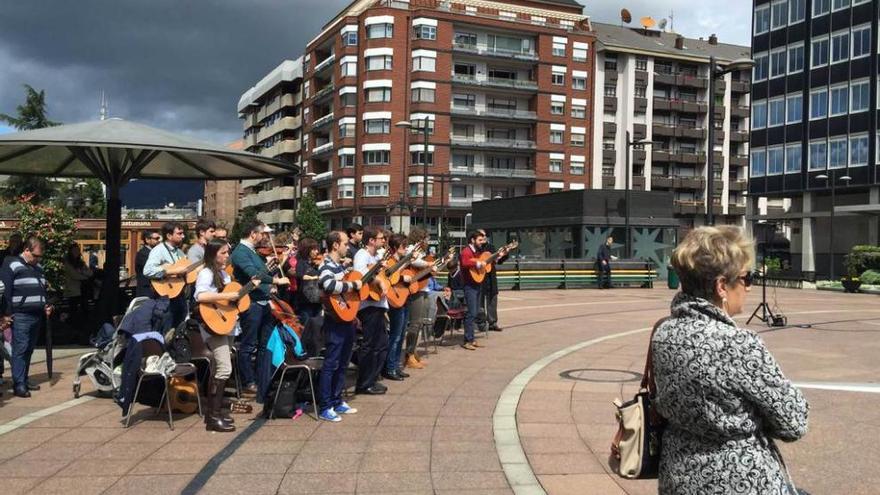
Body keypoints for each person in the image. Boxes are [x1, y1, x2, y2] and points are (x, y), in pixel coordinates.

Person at [653, 226, 809, 493]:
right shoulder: (737, 344)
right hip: (738, 480)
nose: (749, 287)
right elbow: (793, 422)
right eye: (746, 279)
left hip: (677, 476)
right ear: (722, 286)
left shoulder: (663, 331)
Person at [194, 238, 259, 433]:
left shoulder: (224, 274)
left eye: (227, 252)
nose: (226, 256)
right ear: (213, 254)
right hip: (214, 325)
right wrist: (227, 297)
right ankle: (213, 416)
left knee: (219, 368)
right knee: (224, 368)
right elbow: (201, 296)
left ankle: (213, 414)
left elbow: (233, 300)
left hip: (227, 323)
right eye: (223, 252)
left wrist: (245, 292)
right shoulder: (205, 273)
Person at [230, 220, 289, 402]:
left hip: (263, 302)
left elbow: (262, 272)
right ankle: (249, 382)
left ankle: (262, 378)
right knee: (249, 344)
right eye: (262, 234)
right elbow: (254, 275)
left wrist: (274, 265)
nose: (264, 237)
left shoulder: (251, 251)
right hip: (252, 303)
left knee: (265, 344)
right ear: (253, 234)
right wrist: (276, 281)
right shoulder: (240, 252)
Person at [317, 230, 361, 422]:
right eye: (344, 243)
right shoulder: (326, 265)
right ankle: (325, 405)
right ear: (335, 245)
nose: (346, 247)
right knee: (331, 363)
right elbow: (328, 285)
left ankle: (337, 400)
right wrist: (353, 286)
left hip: (346, 319)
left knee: (343, 362)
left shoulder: (338, 266)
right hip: (334, 321)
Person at [0, 236, 52, 398]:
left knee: (29, 349)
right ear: (26, 250)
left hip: (37, 313)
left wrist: (47, 304)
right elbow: (5, 291)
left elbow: (42, 289)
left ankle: (24, 378)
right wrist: (5, 314)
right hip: (20, 314)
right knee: (20, 349)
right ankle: (19, 383)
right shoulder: (11, 263)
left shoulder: (39, 268)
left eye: (40, 256)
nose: (37, 259)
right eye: (35, 256)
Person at [353, 227, 389, 395]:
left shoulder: (376, 257)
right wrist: (377, 280)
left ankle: (372, 379)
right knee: (369, 345)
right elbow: (360, 272)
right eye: (380, 238)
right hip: (368, 305)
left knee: (381, 344)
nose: (383, 241)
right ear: (371, 240)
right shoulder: (362, 254)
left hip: (379, 305)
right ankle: (364, 383)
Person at [143, 222, 189, 329]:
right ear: (169, 236)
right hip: (165, 299)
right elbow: (148, 270)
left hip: (179, 296)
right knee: (166, 329)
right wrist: (171, 271)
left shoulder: (180, 253)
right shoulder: (159, 250)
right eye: (179, 233)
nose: (183, 236)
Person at [402, 227, 434, 369]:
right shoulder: (410, 249)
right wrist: (428, 264)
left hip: (423, 287)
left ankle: (413, 352)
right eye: (426, 239)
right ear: (420, 239)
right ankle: (408, 355)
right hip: (415, 290)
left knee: (419, 322)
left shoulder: (420, 252)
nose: (428, 241)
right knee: (414, 323)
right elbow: (414, 261)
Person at [382, 233, 412, 380]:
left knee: (401, 335)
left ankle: (396, 365)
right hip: (396, 300)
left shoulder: (400, 261)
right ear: (394, 248)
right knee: (396, 335)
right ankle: (390, 367)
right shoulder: (389, 261)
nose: (405, 249)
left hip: (404, 298)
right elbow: (388, 277)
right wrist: (402, 277)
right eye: (403, 247)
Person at [458, 230, 488, 350]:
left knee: (475, 312)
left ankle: (471, 339)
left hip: (476, 283)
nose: (482, 242)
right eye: (479, 240)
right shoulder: (466, 251)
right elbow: (465, 262)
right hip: (469, 285)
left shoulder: (476, 252)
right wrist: (478, 264)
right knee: (471, 313)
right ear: (473, 240)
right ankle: (467, 340)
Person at [476, 229, 508, 332]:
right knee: (479, 302)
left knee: (492, 300)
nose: (484, 237)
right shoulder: (475, 249)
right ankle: (480, 323)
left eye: (485, 235)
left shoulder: (491, 247)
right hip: (479, 277)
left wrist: (504, 254)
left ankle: (492, 323)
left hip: (490, 278)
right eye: (481, 235)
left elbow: (498, 261)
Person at [293, 237, 322, 325]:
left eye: (317, 249)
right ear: (307, 250)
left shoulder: (314, 264)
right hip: (305, 301)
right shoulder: (301, 263)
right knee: (306, 326)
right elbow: (300, 275)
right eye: (314, 249)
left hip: (317, 300)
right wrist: (316, 277)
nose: (317, 252)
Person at [62, 244, 93, 326]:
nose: (76, 252)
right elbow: (74, 275)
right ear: (70, 252)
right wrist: (84, 276)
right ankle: (73, 327)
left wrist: (82, 272)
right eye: (74, 251)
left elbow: (90, 272)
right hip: (73, 291)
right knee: (73, 311)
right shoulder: (67, 263)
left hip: (83, 290)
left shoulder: (81, 262)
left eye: (77, 250)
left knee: (84, 309)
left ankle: (83, 326)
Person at [135, 230, 161, 298]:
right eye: (156, 239)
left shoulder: (156, 252)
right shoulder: (143, 254)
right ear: (147, 240)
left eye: (159, 238)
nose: (159, 241)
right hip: (147, 291)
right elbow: (154, 270)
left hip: (156, 290)